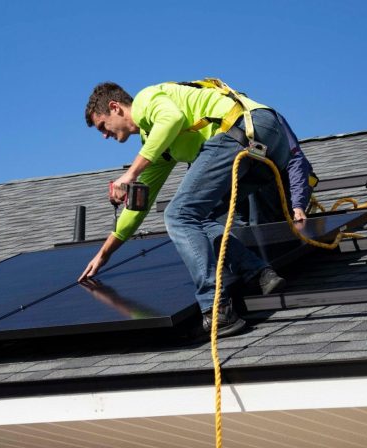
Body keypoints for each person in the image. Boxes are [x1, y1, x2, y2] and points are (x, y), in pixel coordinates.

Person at [78, 80, 314, 337]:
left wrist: (130, 174)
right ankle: (259, 272)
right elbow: (139, 206)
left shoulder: (147, 100)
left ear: (116, 107)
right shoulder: (156, 145)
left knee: (178, 214)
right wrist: (104, 254)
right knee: (200, 218)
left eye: (103, 125)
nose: (104, 135)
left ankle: (218, 309)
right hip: (265, 146)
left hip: (242, 128)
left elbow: (171, 119)